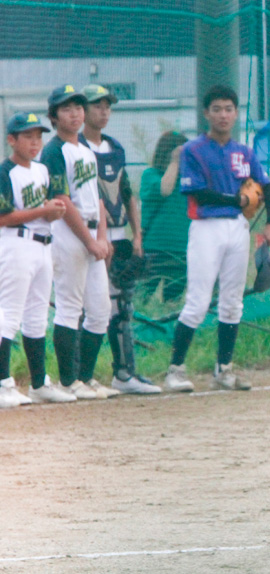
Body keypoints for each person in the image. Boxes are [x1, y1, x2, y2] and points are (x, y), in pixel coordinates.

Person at [163, 85, 270, 392]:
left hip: (237, 229)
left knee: (232, 303)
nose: (223, 115)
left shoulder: (244, 152)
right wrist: (237, 201)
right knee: (198, 302)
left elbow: (266, 188)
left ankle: (223, 370)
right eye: (217, 109)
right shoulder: (193, 150)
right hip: (206, 227)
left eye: (229, 109)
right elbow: (196, 191)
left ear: (236, 112)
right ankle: (175, 370)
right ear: (206, 114)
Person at [81, 84, 161, 395]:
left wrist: (137, 234)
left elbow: (127, 193)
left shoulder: (114, 148)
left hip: (117, 231)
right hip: (88, 235)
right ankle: (75, 375)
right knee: (82, 307)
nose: (103, 111)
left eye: (107, 106)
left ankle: (124, 372)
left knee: (120, 305)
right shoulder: (75, 149)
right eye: (97, 105)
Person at [40, 84, 118, 400]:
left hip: (90, 233)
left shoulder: (85, 148)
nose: (74, 113)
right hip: (67, 233)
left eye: (78, 107)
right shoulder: (53, 150)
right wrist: (89, 241)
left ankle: (84, 378)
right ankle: (69, 380)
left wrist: (102, 238)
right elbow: (62, 199)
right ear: (53, 117)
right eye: (66, 108)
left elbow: (96, 196)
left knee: (100, 310)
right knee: (70, 308)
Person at [0, 112, 75, 407]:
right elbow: (3, 217)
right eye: (27, 136)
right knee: (8, 314)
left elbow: (53, 203)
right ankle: (3, 382)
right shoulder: (5, 171)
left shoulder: (43, 170)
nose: (34, 142)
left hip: (44, 245)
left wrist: (53, 209)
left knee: (37, 317)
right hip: (15, 244)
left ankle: (39, 382)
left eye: (38, 136)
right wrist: (43, 211)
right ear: (11, 140)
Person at [139, 131, 190, 301]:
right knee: (141, 296)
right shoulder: (151, 175)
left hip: (181, 249)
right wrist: (174, 161)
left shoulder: (189, 179)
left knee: (172, 299)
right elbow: (164, 190)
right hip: (155, 248)